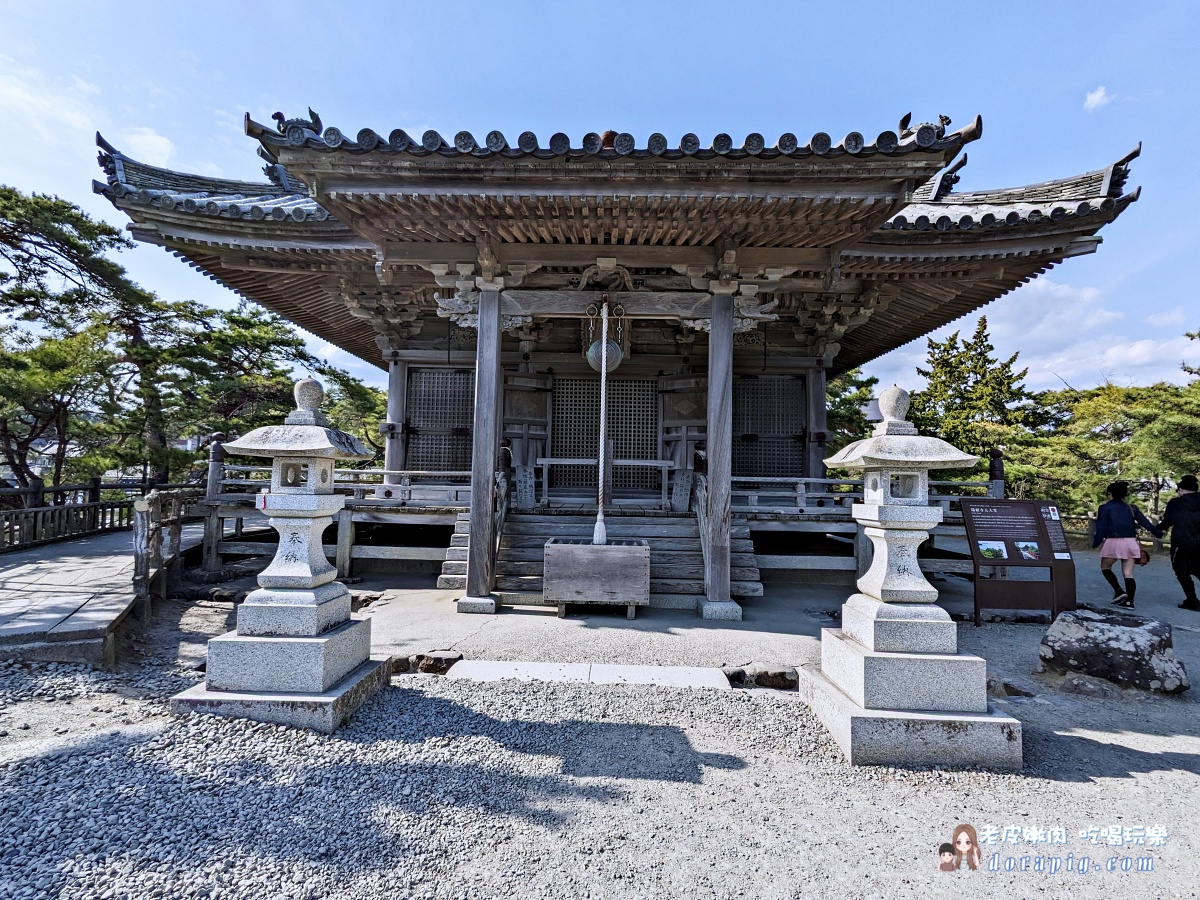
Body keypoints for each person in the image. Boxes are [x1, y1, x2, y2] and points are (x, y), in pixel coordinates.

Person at [1093, 482, 1162, 609]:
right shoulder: (1132, 508)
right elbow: (1145, 523)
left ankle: (1119, 591)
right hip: (1130, 542)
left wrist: (1096, 542)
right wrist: (1158, 533)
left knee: (1105, 567)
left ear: (1110, 494)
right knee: (1128, 572)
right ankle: (1129, 601)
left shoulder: (1105, 508)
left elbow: (1101, 527)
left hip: (1113, 541)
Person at [1159, 474, 1200, 612]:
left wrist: (1157, 530)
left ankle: (1192, 600)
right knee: (1197, 568)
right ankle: (1192, 600)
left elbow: (1168, 521)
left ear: (1181, 489)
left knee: (1181, 570)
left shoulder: (1176, 503)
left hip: (1181, 542)